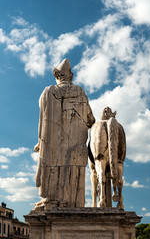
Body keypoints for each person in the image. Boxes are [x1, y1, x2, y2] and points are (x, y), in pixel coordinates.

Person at [34, 58, 95, 209]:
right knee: (74, 173)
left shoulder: (48, 92)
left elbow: (42, 120)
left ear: (57, 75)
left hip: (53, 147)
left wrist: (40, 141)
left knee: (54, 168)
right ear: (71, 76)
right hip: (76, 148)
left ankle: (53, 200)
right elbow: (90, 119)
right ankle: (74, 203)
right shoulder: (80, 91)